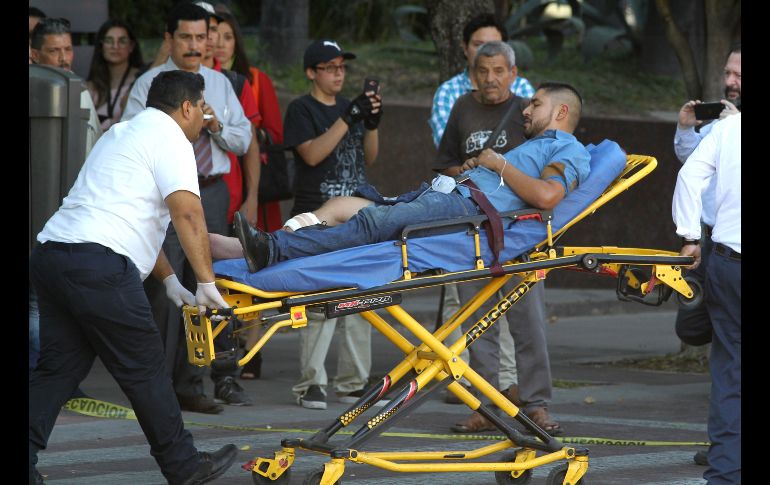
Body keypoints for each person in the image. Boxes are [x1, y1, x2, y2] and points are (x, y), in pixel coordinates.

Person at [29, 69, 238, 485]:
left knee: (58, 369)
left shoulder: (122, 134)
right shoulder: (173, 139)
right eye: (201, 109)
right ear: (186, 107)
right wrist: (207, 284)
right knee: (145, 369)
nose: (202, 118)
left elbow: (132, 220)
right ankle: (184, 466)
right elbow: (188, 214)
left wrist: (168, 281)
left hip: (54, 256)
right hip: (98, 266)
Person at [223, 81, 586, 295]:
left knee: (372, 224)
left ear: (561, 111)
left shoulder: (568, 148)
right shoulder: (536, 145)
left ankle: (271, 248)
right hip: (451, 196)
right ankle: (264, 247)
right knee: (355, 205)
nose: (526, 110)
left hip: (467, 210)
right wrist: (481, 168)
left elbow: (547, 196)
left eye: (536, 104)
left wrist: (497, 164)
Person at [122, 2, 253, 413]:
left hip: (209, 191)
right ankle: (165, 386)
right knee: (165, 290)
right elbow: (130, 136)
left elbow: (244, 140)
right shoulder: (148, 85)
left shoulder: (220, 83)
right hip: (163, 197)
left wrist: (212, 125)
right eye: (186, 37)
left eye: (202, 36)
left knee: (212, 284)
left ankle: (209, 380)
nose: (196, 45)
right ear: (170, 39)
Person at [432, 41, 554, 434]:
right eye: (483, 71)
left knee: (529, 322)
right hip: (473, 232)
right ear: (472, 75)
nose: (491, 79)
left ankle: (536, 404)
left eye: (499, 71)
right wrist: (464, 168)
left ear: (513, 74)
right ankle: (486, 406)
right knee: (477, 323)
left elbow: (546, 165)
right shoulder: (461, 108)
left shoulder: (527, 111)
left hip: (521, 231)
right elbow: (444, 163)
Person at [280, 38, 382, 410]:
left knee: (362, 296)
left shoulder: (347, 107)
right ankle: (311, 382)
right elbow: (311, 155)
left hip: (358, 214)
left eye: (342, 67)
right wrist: (347, 118)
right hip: (316, 214)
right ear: (312, 72)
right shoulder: (302, 109)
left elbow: (369, 156)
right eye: (330, 67)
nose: (339, 73)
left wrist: (370, 124)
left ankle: (353, 380)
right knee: (320, 301)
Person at [672, 43, 740, 468]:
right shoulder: (723, 129)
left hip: (727, 259)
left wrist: (688, 236)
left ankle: (726, 465)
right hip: (720, 248)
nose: (731, 83)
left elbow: (689, 175)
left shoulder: (730, 131)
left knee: (730, 368)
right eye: (729, 74)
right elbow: (689, 162)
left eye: (739, 76)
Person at [29, 17, 103, 394]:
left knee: (51, 305)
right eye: (54, 50)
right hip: (37, 215)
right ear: (33, 53)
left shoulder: (80, 91)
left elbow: (94, 151)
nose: (63, 58)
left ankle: (55, 381)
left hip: (67, 218)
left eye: (68, 49)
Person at [213, 5, 287, 380]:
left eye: (228, 37)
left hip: (248, 186)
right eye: (215, 36)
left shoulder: (253, 80)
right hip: (214, 190)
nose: (220, 44)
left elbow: (273, 134)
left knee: (251, 270)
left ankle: (250, 349)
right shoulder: (199, 81)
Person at [428, 13, 535, 148]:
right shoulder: (448, 92)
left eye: (494, 45)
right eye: (478, 45)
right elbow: (446, 147)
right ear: (465, 49)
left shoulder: (521, 87)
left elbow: (533, 140)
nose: (486, 51)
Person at [86, 19, 145, 131]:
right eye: (109, 40)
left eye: (122, 41)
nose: (115, 46)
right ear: (101, 45)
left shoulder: (141, 81)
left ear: (131, 46)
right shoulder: (91, 86)